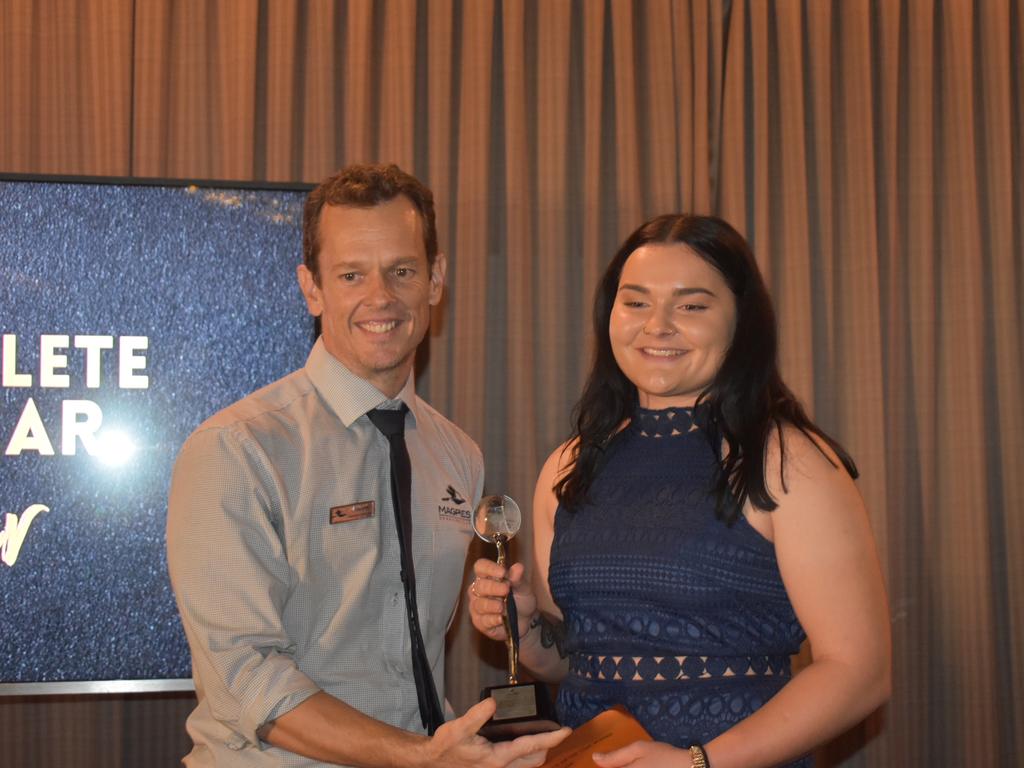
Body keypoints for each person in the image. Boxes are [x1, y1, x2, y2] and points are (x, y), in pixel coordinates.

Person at [167, 163, 568, 767]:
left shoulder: (458, 453)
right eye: (351, 274)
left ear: (435, 279)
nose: (380, 297)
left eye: (401, 271)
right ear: (312, 288)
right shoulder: (236, 448)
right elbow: (243, 675)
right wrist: (417, 755)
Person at [468, 214, 891, 768]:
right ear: (610, 315)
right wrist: (521, 626)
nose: (657, 326)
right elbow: (574, 659)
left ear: (742, 321)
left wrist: (701, 761)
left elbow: (860, 672)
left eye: (691, 305)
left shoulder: (786, 461)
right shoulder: (568, 466)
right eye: (636, 302)